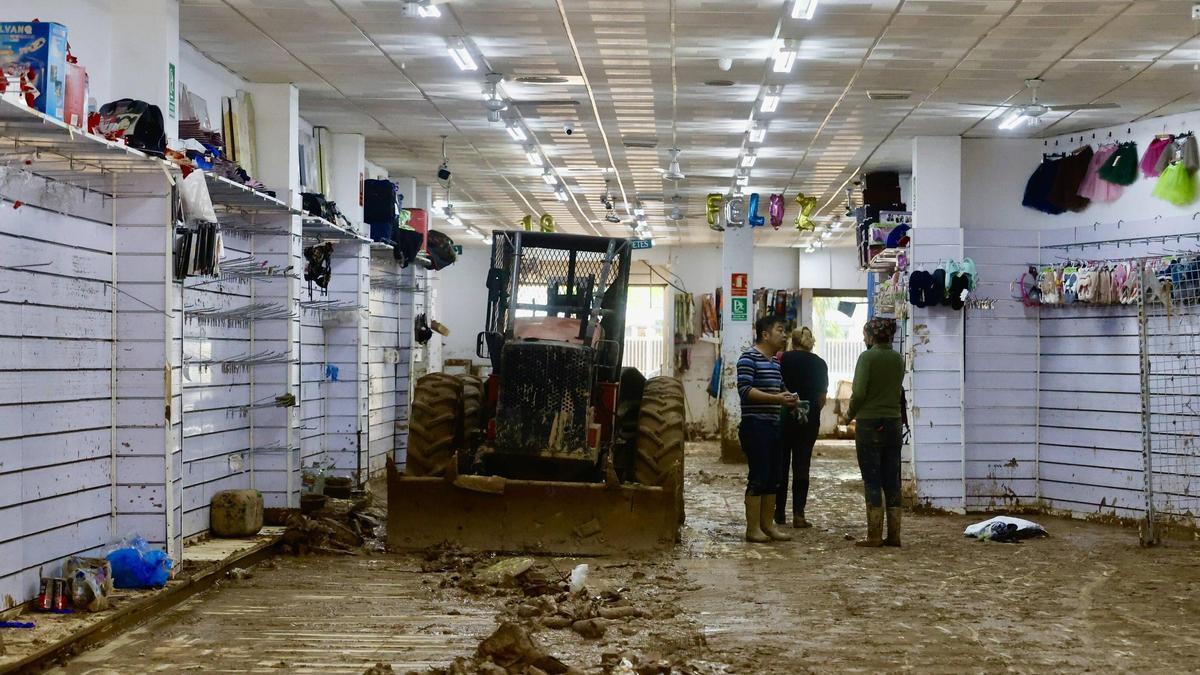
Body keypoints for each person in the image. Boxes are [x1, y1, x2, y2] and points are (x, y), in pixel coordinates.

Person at [736, 315, 798, 543]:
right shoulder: (748, 358)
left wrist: (790, 397)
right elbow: (745, 391)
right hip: (755, 426)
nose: (784, 335)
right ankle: (752, 529)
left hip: (773, 425)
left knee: (774, 477)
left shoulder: (774, 362)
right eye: (780, 330)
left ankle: (767, 526)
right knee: (759, 476)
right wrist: (777, 399)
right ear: (765, 334)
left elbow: (780, 387)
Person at [846, 317, 906, 547]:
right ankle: (894, 535)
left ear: (871, 336)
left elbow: (859, 392)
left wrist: (849, 415)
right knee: (892, 479)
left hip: (869, 423)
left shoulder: (867, 357)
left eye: (865, 335)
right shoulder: (898, 359)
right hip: (893, 422)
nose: (864, 339)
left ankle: (874, 536)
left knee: (872, 479)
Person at [775, 327, 828, 528]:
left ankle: (779, 513)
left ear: (793, 341)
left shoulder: (781, 359)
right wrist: (808, 411)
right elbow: (821, 398)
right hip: (808, 420)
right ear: (810, 342)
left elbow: (774, 387)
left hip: (783, 417)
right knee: (802, 465)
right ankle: (799, 515)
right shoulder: (820, 363)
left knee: (781, 465)